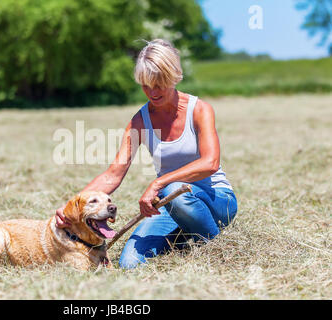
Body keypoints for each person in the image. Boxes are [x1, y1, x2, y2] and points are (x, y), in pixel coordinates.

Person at [55, 39, 238, 269]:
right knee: (129, 263)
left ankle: (218, 250)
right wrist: (72, 206)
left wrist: (158, 183)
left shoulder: (199, 110)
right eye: (145, 85)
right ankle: (187, 238)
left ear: (173, 76)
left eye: (158, 84)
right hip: (171, 204)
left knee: (174, 190)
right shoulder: (140, 121)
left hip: (217, 199)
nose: (152, 92)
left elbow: (210, 162)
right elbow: (113, 175)